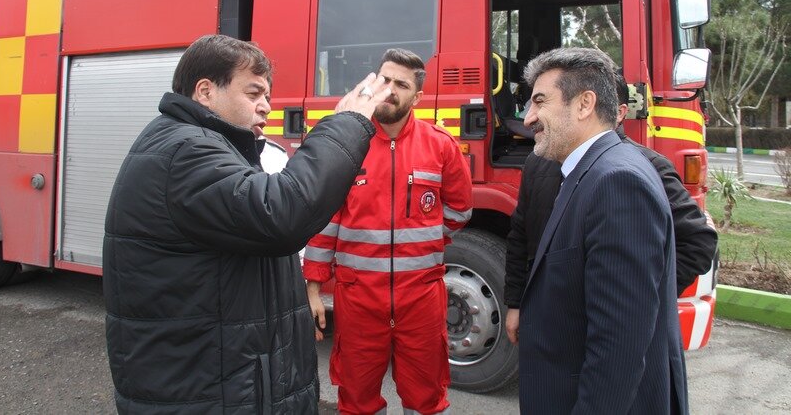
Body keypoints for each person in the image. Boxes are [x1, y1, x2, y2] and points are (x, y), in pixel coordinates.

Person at [103, 34, 392, 413]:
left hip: (227, 385)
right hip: (208, 395)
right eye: (253, 93)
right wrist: (346, 124)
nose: (267, 107)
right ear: (205, 91)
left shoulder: (206, 145)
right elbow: (282, 214)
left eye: (267, 97)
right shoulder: (186, 152)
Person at [508, 47, 688, 414]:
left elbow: (618, 347)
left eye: (540, 101)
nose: (528, 119)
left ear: (584, 103)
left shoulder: (617, 181)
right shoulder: (590, 171)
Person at [303, 48, 473, 415]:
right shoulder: (348, 145)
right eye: (384, 80)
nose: (390, 89)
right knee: (356, 398)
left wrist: (423, 241)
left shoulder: (440, 146)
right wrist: (313, 288)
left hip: (421, 299)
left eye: (401, 83)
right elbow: (324, 220)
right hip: (358, 299)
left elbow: (460, 210)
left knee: (426, 398)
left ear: (418, 96)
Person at [504, 75, 718, 338]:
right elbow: (520, 236)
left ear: (617, 113)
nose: (530, 118)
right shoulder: (538, 163)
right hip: (547, 320)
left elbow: (697, 242)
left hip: (603, 329)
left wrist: (634, 304)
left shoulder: (646, 167)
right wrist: (515, 303)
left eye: (541, 102)